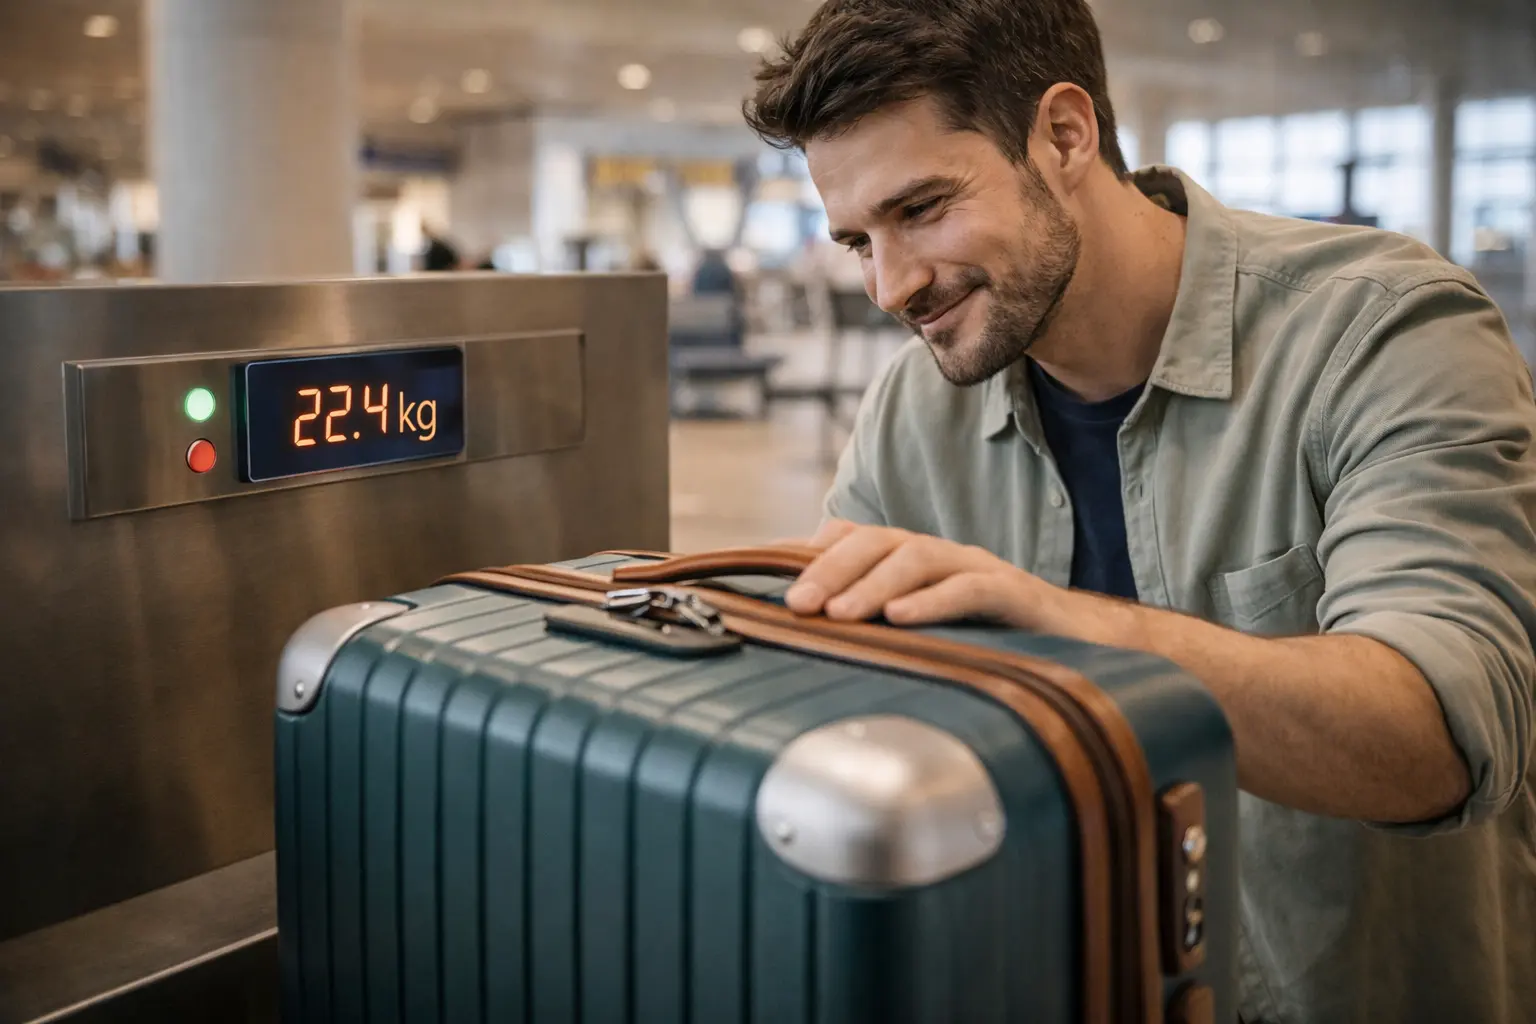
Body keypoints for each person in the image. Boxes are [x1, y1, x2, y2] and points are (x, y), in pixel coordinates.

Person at [743, 2, 1536, 1023]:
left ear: (1065, 134)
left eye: (923, 208)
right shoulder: (916, 406)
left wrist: (1063, 631)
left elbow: (1445, 732)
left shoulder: (1382, 334)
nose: (891, 285)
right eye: (858, 240)